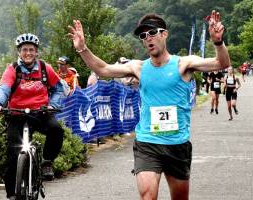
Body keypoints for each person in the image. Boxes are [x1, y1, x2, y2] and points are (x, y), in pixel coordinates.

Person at [68, 10, 230, 200]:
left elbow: (221, 62)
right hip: (147, 143)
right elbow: (102, 69)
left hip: (177, 144)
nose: (148, 39)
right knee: (147, 196)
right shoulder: (139, 67)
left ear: (164, 34)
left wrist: (218, 42)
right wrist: (82, 48)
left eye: (152, 33)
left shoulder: (184, 64)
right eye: (143, 36)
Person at [0, 33, 64, 200]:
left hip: (41, 112)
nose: (28, 53)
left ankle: (47, 162)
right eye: (24, 50)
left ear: (36, 52)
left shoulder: (46, 68)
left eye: (31, 50)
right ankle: (11, 194)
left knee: (56, 130)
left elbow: (58, 89)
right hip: (16, 114)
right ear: (19, 52)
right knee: (12, 154)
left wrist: (53, 105)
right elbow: (4, 88)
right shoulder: (12, 69)